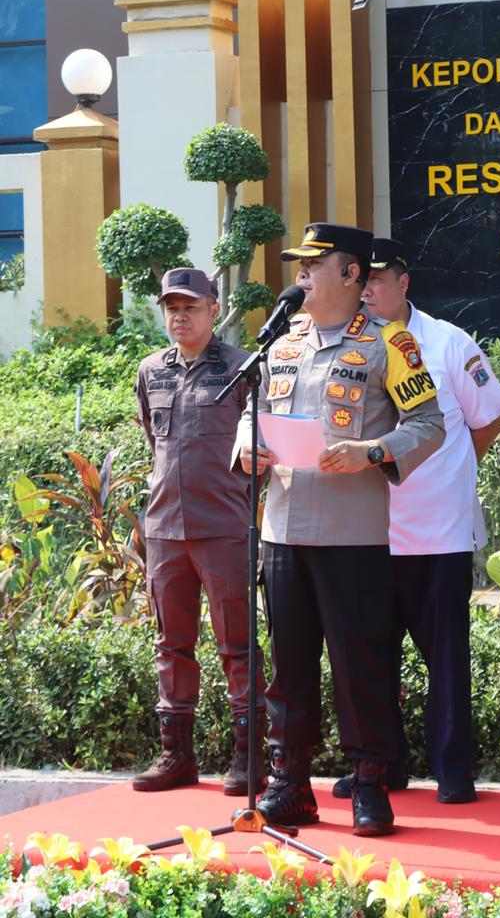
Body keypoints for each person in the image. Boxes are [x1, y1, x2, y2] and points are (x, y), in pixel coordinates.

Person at [233, 222, 445, 836]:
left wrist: (372, 451)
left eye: (313, 263)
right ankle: (289, 785)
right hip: (282, 528)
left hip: (351, 534)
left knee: (362, 666)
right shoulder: (281, 342)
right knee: (288, 666)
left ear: (352, 274)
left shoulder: (389, 342)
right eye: (298, 263)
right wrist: (248, 449)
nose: (299, 273)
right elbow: (256, 418)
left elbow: (429, 425)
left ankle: (371, 786)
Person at [332, 237, 500, 804]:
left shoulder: (448, 342)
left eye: (377, 282)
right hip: (366, 531)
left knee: (446, 660)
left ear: (404, 283)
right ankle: (382, 767)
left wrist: (453, 474)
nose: (367, 293)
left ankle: (453, 772)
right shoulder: (348, 344)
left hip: (437, 530)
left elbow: (487, 419)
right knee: (370, 655)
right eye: (360, 284)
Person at [132, 267, 266, 795]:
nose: (179, 316)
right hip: (165, 529)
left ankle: (247, 758)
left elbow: (262, 449)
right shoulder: (151, 371)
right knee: (171, 643)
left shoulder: (242, 369)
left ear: (215, 308)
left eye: (190, 306)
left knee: (238, 645)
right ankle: (176, 757)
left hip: (224, 528)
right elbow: (153, 440)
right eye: (171, 307)